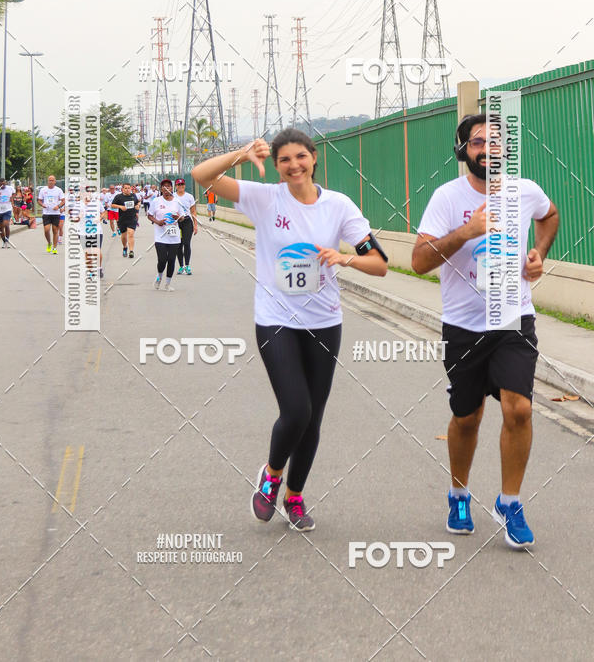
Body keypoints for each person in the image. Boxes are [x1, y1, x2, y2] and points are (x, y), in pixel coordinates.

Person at [192, 128, 388, 531]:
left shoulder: (339, 206)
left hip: (324, 322)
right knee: (296, 409)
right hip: (276, 319)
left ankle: (295, 497)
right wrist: (242, 154)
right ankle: (272, 473)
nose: (294, 165)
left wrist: (344, 259)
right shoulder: (265, 199)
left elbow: (380, 263)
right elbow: (202, 176)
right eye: (284, 160)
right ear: (276, 167)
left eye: (301, 157)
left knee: (312, 420)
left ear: (314, 158)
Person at [412, 113, 559, 549]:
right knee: (467, 415)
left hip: (513, 319)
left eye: (495, 141)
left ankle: (509, 501)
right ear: (463, 151)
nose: (488, 148)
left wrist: (539, 252)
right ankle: (459, 494)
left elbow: (548, 215)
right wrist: (468, 231)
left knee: (519, 410)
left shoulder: (524, 191)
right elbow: (419, 261)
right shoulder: (446, 197)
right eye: (477, 142)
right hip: (463, 327)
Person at [147, 179, 185, 291]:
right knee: (162, 260)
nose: (166, 188)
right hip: (160, 236)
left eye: (168, 186)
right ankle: (159, 277)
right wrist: (157, 221)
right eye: (164, 186)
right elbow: (149, 215)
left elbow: (182, 217)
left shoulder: (177, 202)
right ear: (161, 189)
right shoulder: (156, 201)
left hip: (174, 237)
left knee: (172, 260)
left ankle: (167, 284)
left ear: (172, 188)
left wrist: (178, 217)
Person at [174, 178, 197, 275]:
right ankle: (181, 266)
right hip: (177, 222)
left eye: (182, 184)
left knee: (187, 243)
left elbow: (193, 211)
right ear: (176, 186)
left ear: (184, 185)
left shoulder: (189, 196)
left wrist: (195, 225)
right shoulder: (173, 196)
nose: (180, 186)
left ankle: (187, 266)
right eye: (178, 185)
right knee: (179, 244)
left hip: (187, 221)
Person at [38, 175, 65, 254]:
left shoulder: (58, 190)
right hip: (46, 213)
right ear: (47, 181)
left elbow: (63, 200)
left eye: (52, 180)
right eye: (49, 180)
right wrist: (43, 205)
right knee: (46, 230)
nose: (51, 182)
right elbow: (39, 200)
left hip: (56, 213)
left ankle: (54, 247)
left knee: (55, 230)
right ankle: (49, 243)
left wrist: (58, 206)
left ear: (55, 181)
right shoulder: (43, 190)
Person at [111, 183, 140, 258]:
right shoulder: (118, 197)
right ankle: (125, 247)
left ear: (131, 189)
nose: (127, 190)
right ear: (122, 189)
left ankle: (131, 251)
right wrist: (120, 206)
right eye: (125, 188)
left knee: (130, 234)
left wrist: (138, 206)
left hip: (132, 218)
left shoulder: (133, 196)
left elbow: (138, 202)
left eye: (128, 188)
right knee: (124, 236)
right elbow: (112, 205)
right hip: (122, 219)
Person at [0, 179, 14, 247]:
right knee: (0, 228)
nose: (2, 185)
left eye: (3, 184)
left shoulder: (10, 188)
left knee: (6, 224)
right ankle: (4, 241)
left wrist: (12, 199)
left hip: (7, 209)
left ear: (5, 183)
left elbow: (13, 194)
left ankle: (7, 240)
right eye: (1, 184)